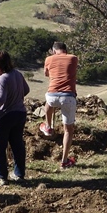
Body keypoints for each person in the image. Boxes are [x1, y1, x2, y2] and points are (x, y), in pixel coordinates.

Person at [0, 51, 30, 186]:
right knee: (17, 144)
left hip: (3, 117)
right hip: (19, 114)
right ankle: (19, 174)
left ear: (0, 64)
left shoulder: (3, 78)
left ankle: (2, 176)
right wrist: (15, 97)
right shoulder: (17, 74)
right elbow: (26, 90)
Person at [40, 41, 78, 169]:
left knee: (49, 103)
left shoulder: (49, 59)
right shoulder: (73, 58)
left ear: (53, 50)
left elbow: (46, 74)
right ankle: (64, 161)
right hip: (68, 97)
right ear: (65, 50)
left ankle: (48, 126)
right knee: (68, 130)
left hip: (52, 95)